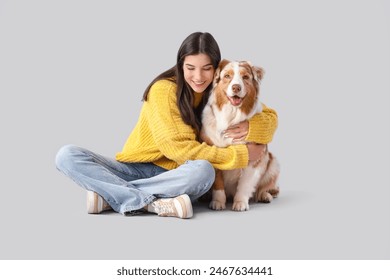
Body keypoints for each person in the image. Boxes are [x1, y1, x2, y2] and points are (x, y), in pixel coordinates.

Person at [55, 31, 278, 219]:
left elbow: (268, 114)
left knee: (202, 171)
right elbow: (179, 150)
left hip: (180, 174)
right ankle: (151, 203)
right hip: (139, 169)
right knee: (67, 155)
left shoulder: (220, 85)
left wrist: (252, 129)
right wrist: (241, 155)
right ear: (180, 64)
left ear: (216, 70)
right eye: (190, 68)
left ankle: (111, 196)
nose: (198, 76)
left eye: (206, 68)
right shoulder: (163, 90)